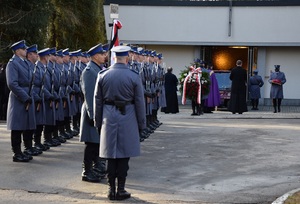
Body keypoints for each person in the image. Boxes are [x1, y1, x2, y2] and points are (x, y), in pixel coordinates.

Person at [94, 45, 146, 201]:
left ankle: (111, 189)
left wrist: (98, 122)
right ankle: (121, 189)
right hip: (128, 116)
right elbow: (139, 102)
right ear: (127, 58)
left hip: (108, 116)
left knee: (110, 154)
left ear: (113, 57)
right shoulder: (133, 76)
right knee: (124, 154)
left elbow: (97, 101)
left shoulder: (102, 75)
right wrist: (141, 124)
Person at [79, 44, 107, 183]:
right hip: (92, 112)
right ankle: (87, 171)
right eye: (102, 54)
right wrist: (92, 115)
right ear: (95, 56)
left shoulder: (98, 68)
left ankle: (96, 168)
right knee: (91, 144)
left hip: (97, 111)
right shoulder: (90, 71)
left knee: (96, 143)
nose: (104, 56)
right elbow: (90, 95)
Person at [6, 40, 37, 162]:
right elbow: (12, 83)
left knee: (26, 125)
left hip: (27, 96)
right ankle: (17, 153)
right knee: (17, 127)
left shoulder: (24, 63)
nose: (26, 51)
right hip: (19, 98)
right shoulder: (13, 63)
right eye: (24, 49)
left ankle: (26, 149)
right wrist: (25, 96)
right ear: (18, 51)